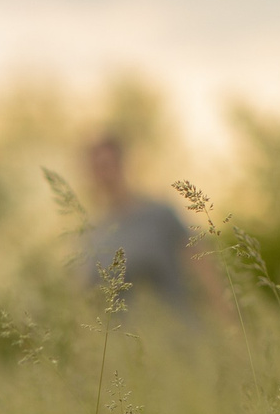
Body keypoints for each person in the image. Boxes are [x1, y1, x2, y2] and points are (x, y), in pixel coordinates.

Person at [74, 130, 234, 326]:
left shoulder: (159, 214)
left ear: (122, 164)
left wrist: (228, 319)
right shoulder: (93, 234)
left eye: (107, 165)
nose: (103, 175)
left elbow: (202, 264)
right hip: (127, 347)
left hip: (179, 334)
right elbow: (88, 298)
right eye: (96, 168)